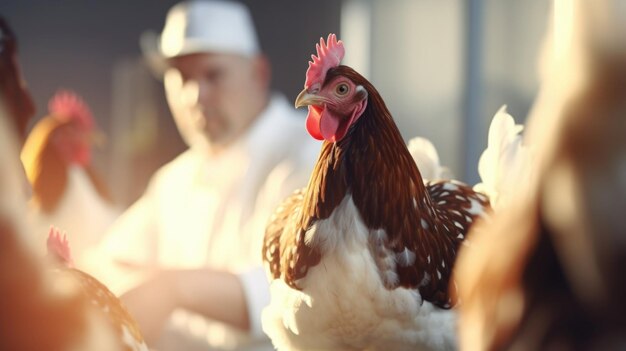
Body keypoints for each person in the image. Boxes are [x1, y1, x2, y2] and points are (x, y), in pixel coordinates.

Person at [97, 1, 319, 350]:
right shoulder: (174, 179)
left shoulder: (308, 153)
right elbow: (112, 258)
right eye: (181, 77)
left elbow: (296, 291)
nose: (195, 95)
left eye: (213, 75)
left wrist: (171, 289)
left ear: (258, 73)